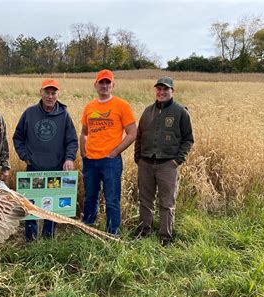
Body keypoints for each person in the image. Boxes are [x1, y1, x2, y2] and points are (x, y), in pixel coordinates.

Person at [13, 79, 78, 241]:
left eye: (53, 93)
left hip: (55, 170)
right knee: (31, 207)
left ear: (58, 94)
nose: (50, 96)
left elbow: (72, 141)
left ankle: (48, 238)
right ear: (41, 93)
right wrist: (25, 156)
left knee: (52, 207)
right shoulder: (29, 113)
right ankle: (31, 239)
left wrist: (69, 158)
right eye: (47, 92)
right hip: (34, 169)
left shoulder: (64, 116)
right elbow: (18, 138)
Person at [134, 76, 194, 246]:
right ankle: (144, 231)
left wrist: (177, 160)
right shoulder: (148, 111)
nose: (161, 92)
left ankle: (165, 237)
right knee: (145, 200)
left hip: (168, 164)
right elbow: (139, 135)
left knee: (167, 203)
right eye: (158, 89)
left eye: (165, 89)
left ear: (172, 91)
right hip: (146, 163)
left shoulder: (180, 112)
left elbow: (188, 139)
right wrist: (138, 157)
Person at [80, 69, 137, 235]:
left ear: (113, 85)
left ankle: (112, 233)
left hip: (110, 161)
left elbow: (132, 133)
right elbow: (84, 132)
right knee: (90, 197)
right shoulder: (90, 106)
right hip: (90, 161)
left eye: (107, 82)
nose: (104, 85)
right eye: (101, 82)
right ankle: (88, 229)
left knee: (112, 199)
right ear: (95, 85)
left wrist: (115, 152)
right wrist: (83, 151)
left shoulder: (122, 106)